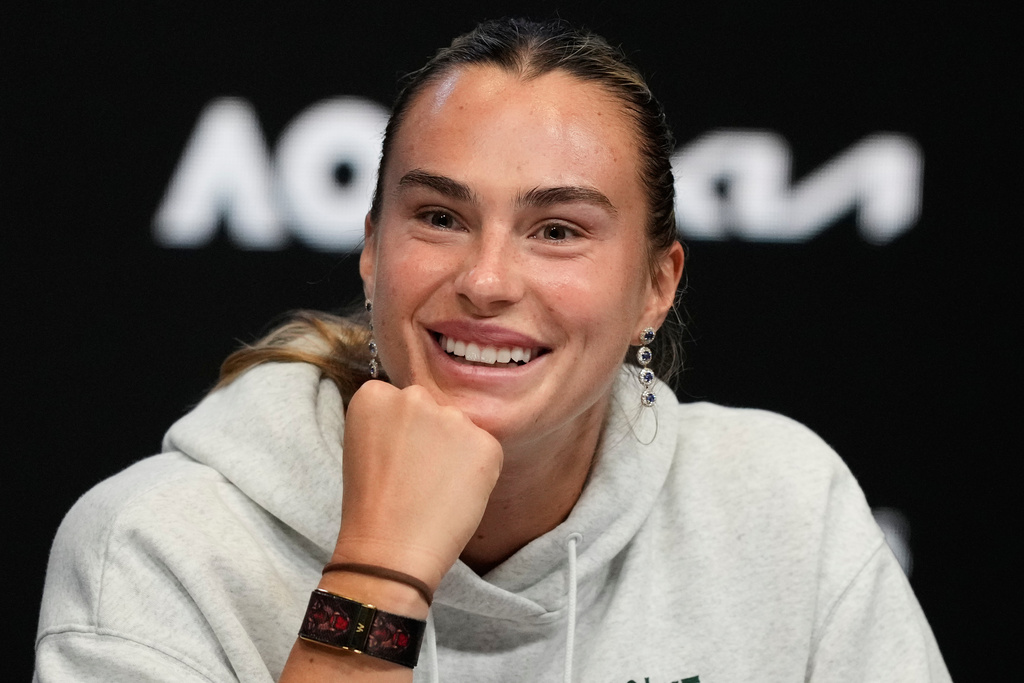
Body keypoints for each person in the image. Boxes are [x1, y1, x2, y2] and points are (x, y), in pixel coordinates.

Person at [34, 18, 951, 683]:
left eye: (557, 230)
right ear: (370, 249)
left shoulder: (782, 504)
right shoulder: (158, 543)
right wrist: (379, 569)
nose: (486, 278)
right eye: (439, 216)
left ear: (657, 286)